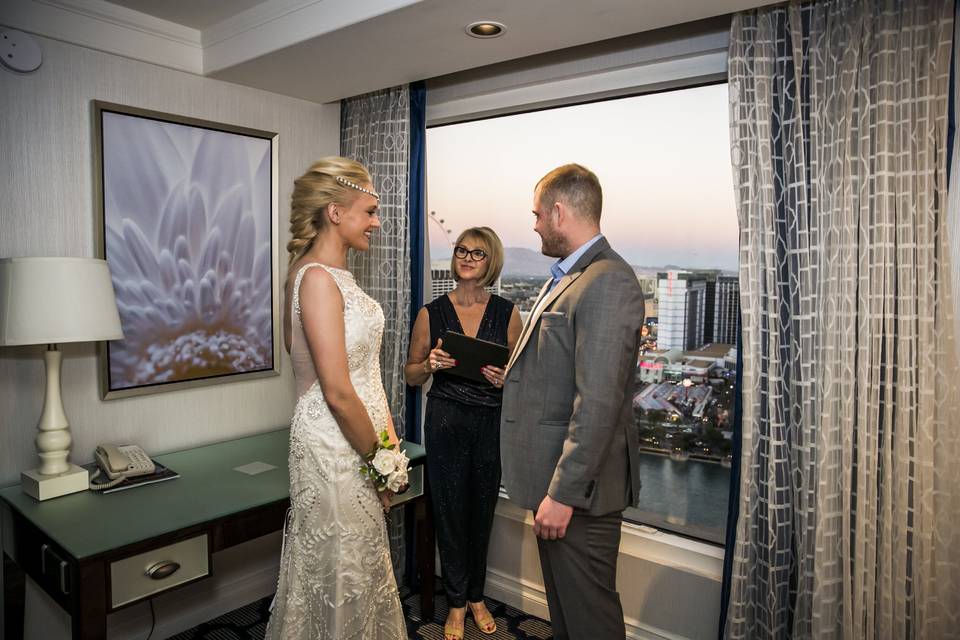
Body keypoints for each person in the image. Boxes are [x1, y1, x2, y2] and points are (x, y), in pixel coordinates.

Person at [499, 164, 644, 640]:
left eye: (538, 214)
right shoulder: (572, 275)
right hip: (557, 488)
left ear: (559, 212)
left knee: (589, 623)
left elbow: (598, 404)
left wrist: (562, 495)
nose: (535, 225)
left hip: (578, 494)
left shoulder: (607, 280)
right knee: (567, 617)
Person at [265, 157, 407, 640]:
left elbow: (367, 376)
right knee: (339, 567)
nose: (377, 221)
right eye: (369, 211)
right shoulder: (317, 279)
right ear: (334, 211)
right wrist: (380, 460)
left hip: (357, 438)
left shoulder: (333, 276)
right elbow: (337, 390)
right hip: (332, 444)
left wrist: (388, 446)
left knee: (360, 563)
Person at [405, 226, 522, 640]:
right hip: (445, 422)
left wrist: (503, 378)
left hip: (489, 423)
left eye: (478, 253)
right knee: (450, 514)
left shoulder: (508, 313)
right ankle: (456, 602)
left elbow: (520, 377)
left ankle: (476, 596)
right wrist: (431, 364)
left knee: (481, 511)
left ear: (491, 263)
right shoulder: (430, 313)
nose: (468, 258)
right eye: (461, 250)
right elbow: (411, 373)